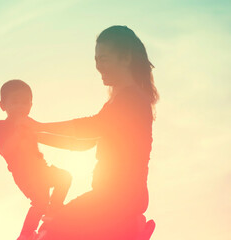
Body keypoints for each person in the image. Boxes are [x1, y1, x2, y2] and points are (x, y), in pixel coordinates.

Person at [28, 25, 159, 240]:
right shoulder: (121, 99)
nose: (98, 66)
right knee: (53, 228)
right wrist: (36, 136)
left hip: (117, 202)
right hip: (111, 200)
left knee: (52, 231)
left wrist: (38, 127)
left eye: (104, 59)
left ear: (125, 58)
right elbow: (83, 144)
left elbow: (91, 128)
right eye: (96, 59)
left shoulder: (131, 99)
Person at [0, 79, 96, 240]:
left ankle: (53, 212)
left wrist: (79, 144)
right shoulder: (2, 127)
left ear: (31, 105)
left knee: (65, 177)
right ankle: (25, 234)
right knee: (39, 201)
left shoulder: (29, 126)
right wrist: (19, 133)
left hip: (41, 169)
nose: (20, 107)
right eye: (15, 103)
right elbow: (5, 150)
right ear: (3, 106)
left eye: (24, 103)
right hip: (24, 175)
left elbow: (47, 138)